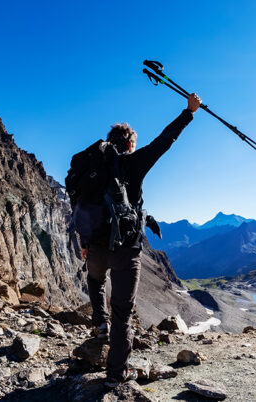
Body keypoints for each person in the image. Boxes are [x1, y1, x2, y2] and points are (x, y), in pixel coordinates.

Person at [82, 93, 201, 387]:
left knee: (96, 282)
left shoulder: (93, 170)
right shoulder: (135, 162)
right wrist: (189, 112)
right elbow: (165, 140)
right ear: (131, 144)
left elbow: (81, 206)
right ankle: (116, 374)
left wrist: (85, 242)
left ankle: (99, 325)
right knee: (122, 311)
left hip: (95, 246)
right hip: (125, 250)